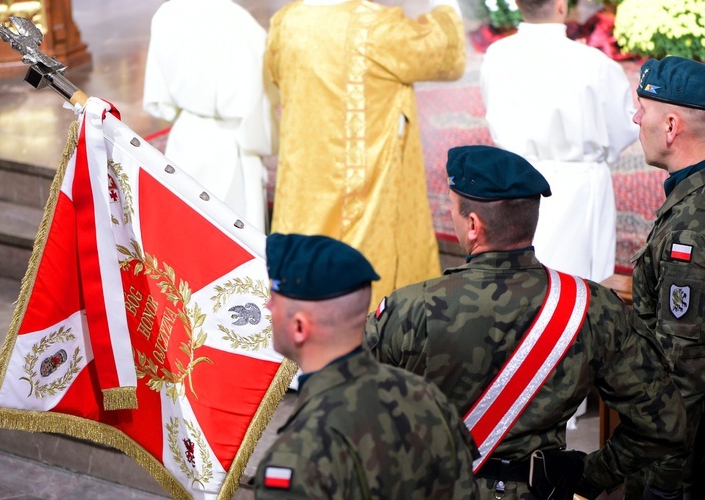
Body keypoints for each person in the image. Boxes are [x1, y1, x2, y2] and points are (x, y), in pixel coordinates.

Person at [364, 145, 685, 499]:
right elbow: (664, 423)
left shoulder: (411, 308)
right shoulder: (592, 309)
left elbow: (325, 378)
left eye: (453, 209)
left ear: (473, 226)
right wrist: (590, 477)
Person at [264, 0, 467, 309]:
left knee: (303, 269)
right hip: (359, 193)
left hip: (306, 173)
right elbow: (444, 53)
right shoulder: (377, 27)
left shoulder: (287, 19)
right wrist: (444, 7)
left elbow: (277, 76)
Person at [254, 233, 478, 499]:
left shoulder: (298, 454)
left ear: (299, 328)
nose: (267, 306)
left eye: (274, 300)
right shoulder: (425, 395)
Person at [479, 0, 638, 284]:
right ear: (561, 5)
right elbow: (623, 128)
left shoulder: (496, 55)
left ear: (516, 3)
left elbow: (493, 112)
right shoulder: (595, 65)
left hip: (514, 182)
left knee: (520, 285)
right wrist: (596, 158)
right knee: (578, 289)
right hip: (579, 182)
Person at [627, 55, 705, 500]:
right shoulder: (688, 198)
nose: (637, 118)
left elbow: (684, 375)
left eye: (644, 109)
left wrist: (663, 484)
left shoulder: (689, 229)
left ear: (671, 126)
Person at [143, 0, 277, 233]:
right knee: (236, 240)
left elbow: (159, 99)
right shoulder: (239, 21)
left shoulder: (167, 14)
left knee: (187, 230)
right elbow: (261, 93)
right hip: (231, 144)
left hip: (186, 136)